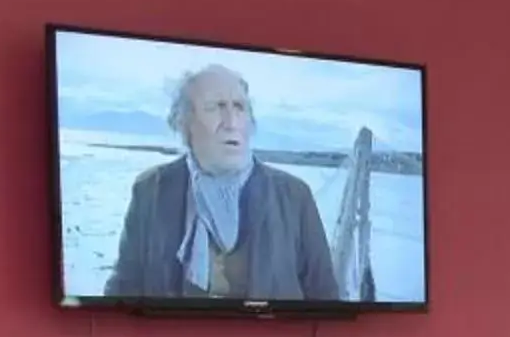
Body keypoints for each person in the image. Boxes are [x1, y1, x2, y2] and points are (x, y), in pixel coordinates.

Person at [102, 64, 343, 301]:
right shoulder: (151, 190)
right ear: (185, 123)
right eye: (215, 107)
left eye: (239, 107)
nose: (231, 122)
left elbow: (325, 296)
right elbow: (123, 290)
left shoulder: (293, 196)